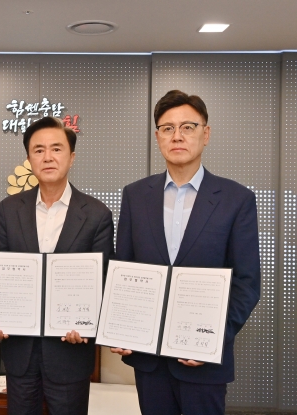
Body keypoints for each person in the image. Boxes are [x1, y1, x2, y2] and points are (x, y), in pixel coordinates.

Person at [111, 90, 261, 415]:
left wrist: (213, 340)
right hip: (148, 359)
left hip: (204, 362)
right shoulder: (135, 196)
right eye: (167, 128)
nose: (177, 136)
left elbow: (247, 284)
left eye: (187, 127)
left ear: (205, 134)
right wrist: (121, 326)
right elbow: (124, 268)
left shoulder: (236, 200)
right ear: (157, 137)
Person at [0, 116, 114, 414]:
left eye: (56, 149)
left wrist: (87, 324)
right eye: (38, 150)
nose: (47, 157)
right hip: (20, 351)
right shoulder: (10, 209)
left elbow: (104, 279)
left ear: (72, 157)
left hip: (70, 351)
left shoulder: (97, 214)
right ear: (29, 158)